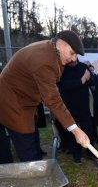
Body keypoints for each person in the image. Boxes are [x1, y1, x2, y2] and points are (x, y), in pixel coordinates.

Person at [0, 30, 90, 163]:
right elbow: (52, 99)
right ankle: (28, 179)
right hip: (11, 103)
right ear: (59, 44)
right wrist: (76, 130)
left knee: (26, 144)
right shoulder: (45, 60)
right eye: (72, 53)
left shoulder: (52, 51)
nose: (74, 59)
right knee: (28, 150)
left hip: (21, 102)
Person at [57, 60, 94, 163]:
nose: (73, 60)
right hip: (70, 107)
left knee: (88, 129)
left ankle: (90, 152)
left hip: (83, 105)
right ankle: (77, 156)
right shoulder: (62, 69)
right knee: (72, 132)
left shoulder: (83, 66)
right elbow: (63, 86)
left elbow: (92, 81)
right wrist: (81, 80)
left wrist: (89, 77)